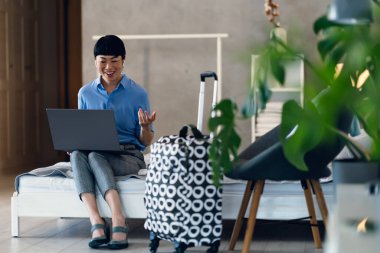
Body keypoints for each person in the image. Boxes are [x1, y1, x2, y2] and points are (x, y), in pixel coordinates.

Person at [70, 35, 156, 250]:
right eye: (103, 61)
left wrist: (145, 128)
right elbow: (83, 133)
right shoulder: (85, 93)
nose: (108, 67)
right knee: (77, 153)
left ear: (123, 60)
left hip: (128, 156)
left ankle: (117, 217)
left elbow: (144, 143)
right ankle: (96, 220)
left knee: (94, 155)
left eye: (114, 61)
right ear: (95, 62)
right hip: (96, 152)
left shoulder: (138, 93)